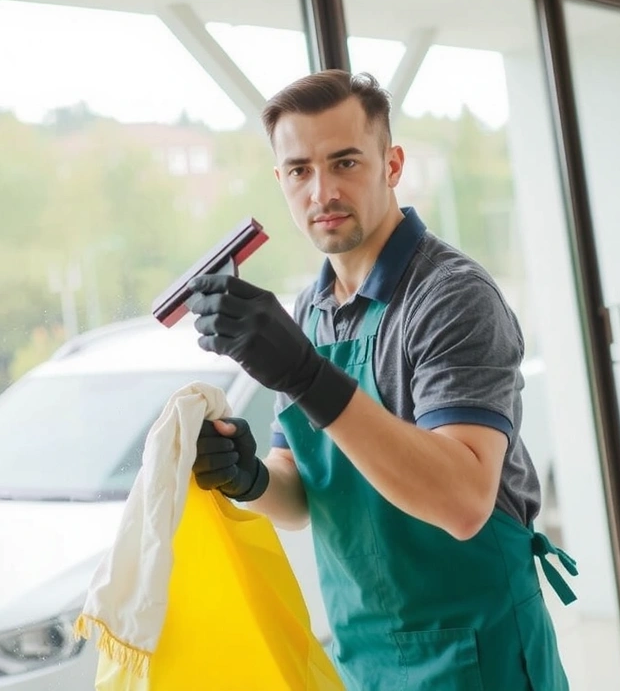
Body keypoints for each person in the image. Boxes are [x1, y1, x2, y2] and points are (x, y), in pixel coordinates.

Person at [186, 69, 577, 690]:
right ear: (280, 181)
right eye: (299, 171)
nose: (322, 192)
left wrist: (305, 373)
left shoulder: (450, 297)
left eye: (345, 163)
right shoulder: (310, 311)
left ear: (391, 164)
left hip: (479, 652)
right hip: (363, 654)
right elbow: (304, 498)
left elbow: (464, 501)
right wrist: (248, 476)